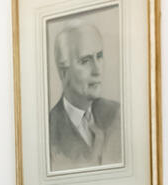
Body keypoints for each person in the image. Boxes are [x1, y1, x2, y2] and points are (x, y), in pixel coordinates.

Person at [48, 22, 122, 172]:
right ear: (64, 73)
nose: (97, 70)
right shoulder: (48, 131)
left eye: (99, 56)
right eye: (85, 61)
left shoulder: (118, 114)